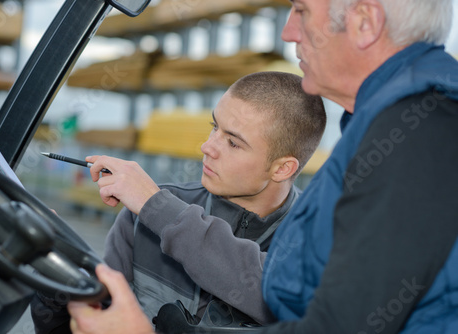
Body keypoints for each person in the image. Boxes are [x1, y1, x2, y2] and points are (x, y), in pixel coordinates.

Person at [67, 0, 458, 333]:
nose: (288, 32)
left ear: (364, 23)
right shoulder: (393, 125)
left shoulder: (422, 133)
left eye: (301, 10)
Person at [31, 71, 327, 332]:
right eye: (214, 127)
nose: (207, 147)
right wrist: (58, 280)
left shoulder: (322, 243)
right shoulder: (141, 217)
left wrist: (157, 207)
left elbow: (269, 289)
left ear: (282, 168)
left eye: (233, 142)